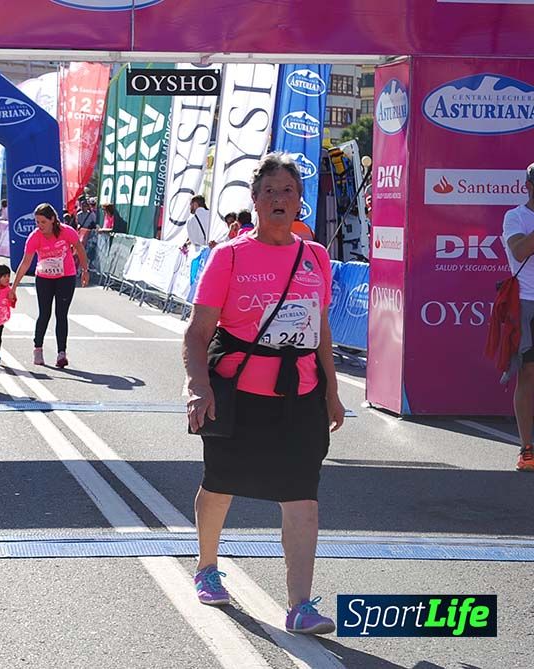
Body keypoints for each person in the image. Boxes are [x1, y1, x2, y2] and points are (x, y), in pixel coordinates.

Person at [183, 152, 345, 635]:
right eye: (269, 191)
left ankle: (300, 605)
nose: (279, 199)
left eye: (287, 191)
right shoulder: (230, 256)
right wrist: (197, 387)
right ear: (254, 200)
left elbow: (321, 329)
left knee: (302, 496)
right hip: (238, 392)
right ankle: (207, 567)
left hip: (301, 395)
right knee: (220, 484)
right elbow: (197, 332)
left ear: (299, 201)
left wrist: (332, 392)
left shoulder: (315, 256)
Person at [9, 203, 90, 368]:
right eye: (37, 222)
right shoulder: (34, 237)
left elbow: (80, 249)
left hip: (65, 277)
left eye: (43, 222)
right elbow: (25, 263)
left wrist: (85, 270)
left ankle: (61, 353)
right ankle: (38, 348)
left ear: (52, 219)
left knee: (61, 314)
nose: (40, 226)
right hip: (44, 279)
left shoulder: (67, 231)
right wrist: (14, 286)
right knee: (44, 314)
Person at [501, 161, 534, 472]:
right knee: (528, 375)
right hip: (527, 304)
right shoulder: (515, 217)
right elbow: (520, 251)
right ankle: (527, 449)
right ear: (528, 186)